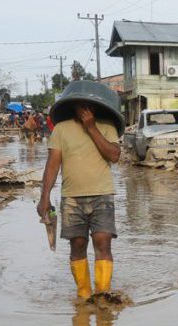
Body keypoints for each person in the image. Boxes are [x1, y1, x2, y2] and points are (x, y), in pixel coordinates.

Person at [37, 100, 121, 300]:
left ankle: (102, 294)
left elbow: (114, 155)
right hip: (72, 198)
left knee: (103, 241)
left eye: (89, 105)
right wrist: (44, 197)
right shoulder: (61, 129)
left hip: (102, 195)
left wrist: (91, 127)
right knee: (77, 244)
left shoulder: (107, 126)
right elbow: (52, 166)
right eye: (81, 105)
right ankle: (83, 296)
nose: (85, 108)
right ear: (72, 106)